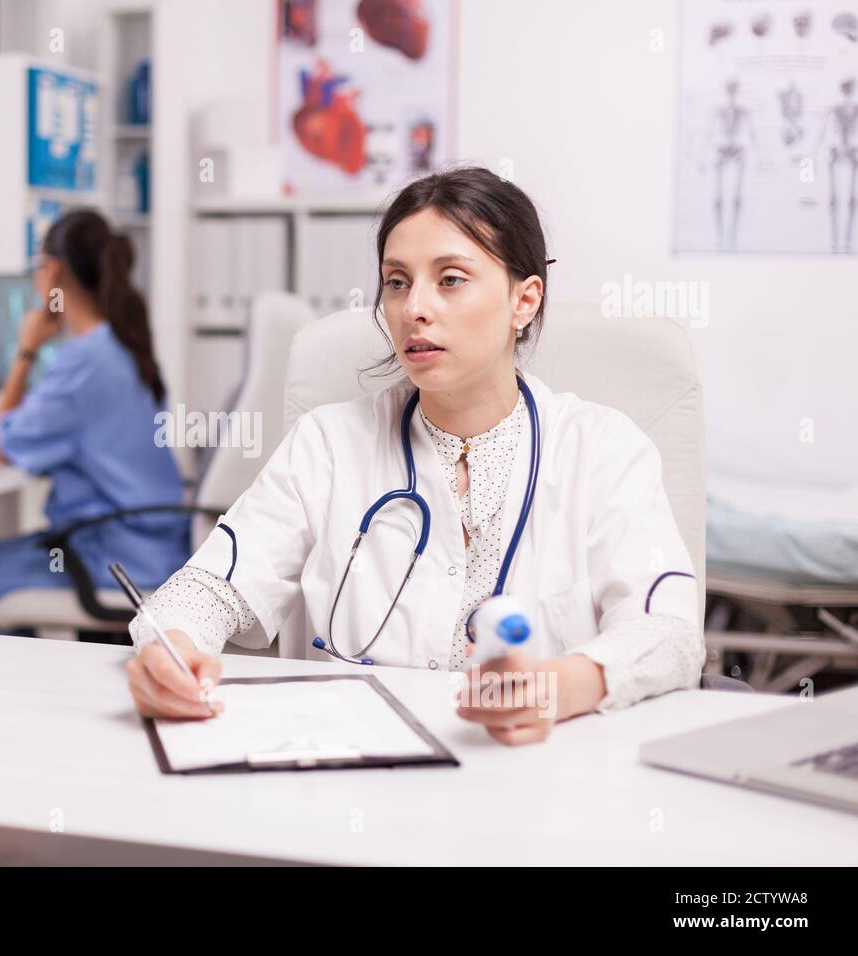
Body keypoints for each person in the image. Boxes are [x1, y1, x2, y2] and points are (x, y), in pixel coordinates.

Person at [124, 167, 704, 745]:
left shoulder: (603, 450)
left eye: (450, 279)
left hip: (537, 783)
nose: (414, 308)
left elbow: (672, 633)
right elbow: (207, 590)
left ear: (523, 300)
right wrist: (170, 648)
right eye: (397, 282)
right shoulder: (328, 444)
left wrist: (563, 685)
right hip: (347, 778)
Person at [0, 210, 188, 634]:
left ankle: (0, 700)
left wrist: (27, 348)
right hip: (153, 547)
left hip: (111, 553)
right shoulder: (120, 344)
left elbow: (3, 445)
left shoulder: (84, 359)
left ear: (52, 272)